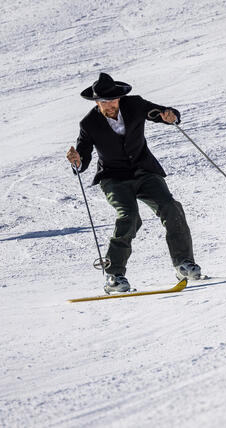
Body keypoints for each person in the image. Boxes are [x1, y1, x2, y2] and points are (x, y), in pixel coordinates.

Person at [66, 72, 200, 293]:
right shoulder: (89, 123)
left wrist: (170, 116)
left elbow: (163, 113)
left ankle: (184, 264)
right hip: (113, 178)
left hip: (145, 171)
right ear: (96, 102)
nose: (109, 106)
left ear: (119, 98)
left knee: (170, 207)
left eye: (112, 101)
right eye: (103, 103)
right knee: (129, 217)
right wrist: (77, 161)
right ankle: (114, 276)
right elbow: (83, 156)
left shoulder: (135, 104)